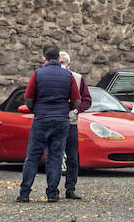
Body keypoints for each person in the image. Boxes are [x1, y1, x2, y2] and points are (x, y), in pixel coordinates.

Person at [17, 44, 81, 203]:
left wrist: (35, 110)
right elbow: (77, 100)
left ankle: (24, 193)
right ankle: (52, 193)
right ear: (59, 57)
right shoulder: (68, 76)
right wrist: (67, 108)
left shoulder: (37, 74)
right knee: (56, 157)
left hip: (42, 118)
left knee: (32, 157)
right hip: (61, 119)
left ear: (43, 57)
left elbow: (28, 98)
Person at [58, 50, 92, 201]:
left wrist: (77, 110)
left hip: (71, 121)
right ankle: (52, 189)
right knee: (54, 156)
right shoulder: (50, 77)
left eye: (63, 63)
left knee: (72, 157)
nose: (60, 65)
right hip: (56, 120)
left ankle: (70, 188)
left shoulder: (78, 78)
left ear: (69, 64)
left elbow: (87, 100)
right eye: (58, 62)